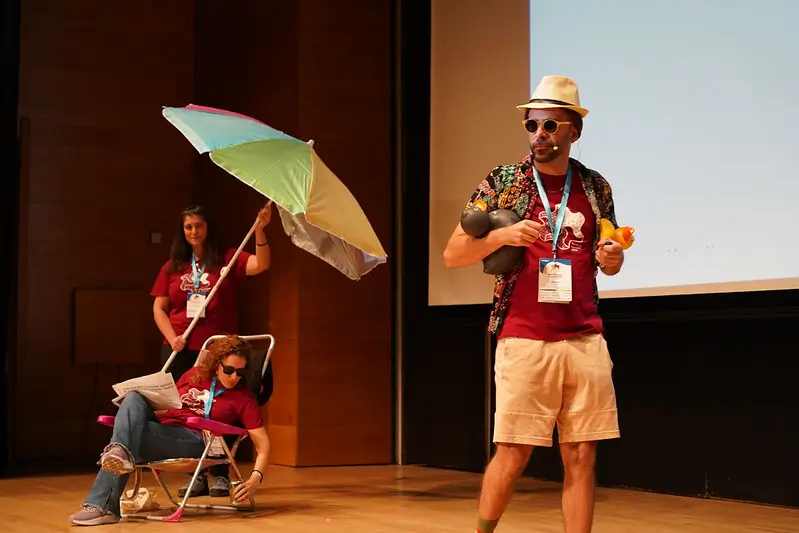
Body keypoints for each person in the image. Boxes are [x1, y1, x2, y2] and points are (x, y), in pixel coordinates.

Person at [443, 75, 625, 533]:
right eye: (532, 125)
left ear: (574, 132)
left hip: (584, 336)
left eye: (550, 126)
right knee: (514, 451)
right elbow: (452, 254)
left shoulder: (595, 186)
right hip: (524, 336)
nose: (539, 135)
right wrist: (502, 235)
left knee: (581, 454)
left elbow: (609, 259)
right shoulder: (504, 181)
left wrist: (612, 255)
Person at [68, 335, 270, 526]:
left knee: (126, 440)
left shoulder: (244, 398)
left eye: (241, 373)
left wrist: (254, 479)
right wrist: (135, 413)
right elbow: (168, 409)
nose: (234, 377)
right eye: (229, 370)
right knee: (133, 397)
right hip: (167, 430)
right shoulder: (194, 375)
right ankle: (117, 461)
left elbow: (263, 444)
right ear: (217, 363)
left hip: (198, 440)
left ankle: (102, 505)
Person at [151, 203, 271, 498]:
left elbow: (261, 265)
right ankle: (196, 474)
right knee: (188, 408)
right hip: (180, 349)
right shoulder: (172, 266)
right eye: (188, 227)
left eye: (199, 226)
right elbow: (159, 308)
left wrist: (259, 231)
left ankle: (218, 472)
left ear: (208, 228)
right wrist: (173, 338)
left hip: (217, 350)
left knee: (219, 409)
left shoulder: (227, 259)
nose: (194, 231)